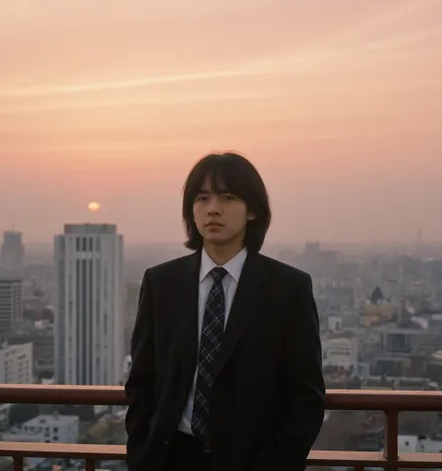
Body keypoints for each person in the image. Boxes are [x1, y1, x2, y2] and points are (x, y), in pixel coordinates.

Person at [125, 152, 325, 471]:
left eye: (227, 197)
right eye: (202, 198)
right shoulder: (161, 283)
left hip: (252, 461)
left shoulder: (288, 289)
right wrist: (142, 454)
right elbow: (142, 383)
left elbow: (306, 396)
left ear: (253, 210)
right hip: (171, 459)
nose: (213, 209)